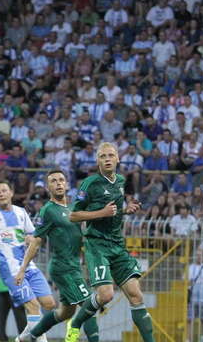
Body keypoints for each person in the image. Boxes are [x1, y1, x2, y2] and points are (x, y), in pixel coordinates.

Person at [65, 142, 154, 342]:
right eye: (103, 156)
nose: (107, 159)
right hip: (96, 245)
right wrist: (101, 213)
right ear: (97, 161)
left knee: (136, 295)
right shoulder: (90, 183)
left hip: (117, 245)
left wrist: (126, 209)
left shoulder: (121, 181)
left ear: (117, 159)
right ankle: (77, 322)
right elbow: (73, 215)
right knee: (106, 295)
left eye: (110, 155)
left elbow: (114, 211)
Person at [17, 170, 99, 341]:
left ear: (67, 184)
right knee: (88, 306)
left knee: (64, 313)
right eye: (53, 181)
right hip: (63, 268)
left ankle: (29, 337)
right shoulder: (48, 210)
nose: (58, 183)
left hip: (74, 266)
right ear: (48, 187)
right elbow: (36, 241)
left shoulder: (72, 209)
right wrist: (22, 268)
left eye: (61, 180)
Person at [0, 181, 55, 341]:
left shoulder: (21, 212)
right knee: (33, 306)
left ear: (11, 192)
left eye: (4, 190)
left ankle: (22, 338)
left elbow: (31, 235)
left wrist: (29, 239)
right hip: (10, 270)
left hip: (28, 266)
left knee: (49, 304)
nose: (1, 194)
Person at [0, 276, 27, 342]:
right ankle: (2, 339)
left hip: (15, 289)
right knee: (1, 318)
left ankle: (23, 339)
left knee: (20, 317)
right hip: (1, 289)